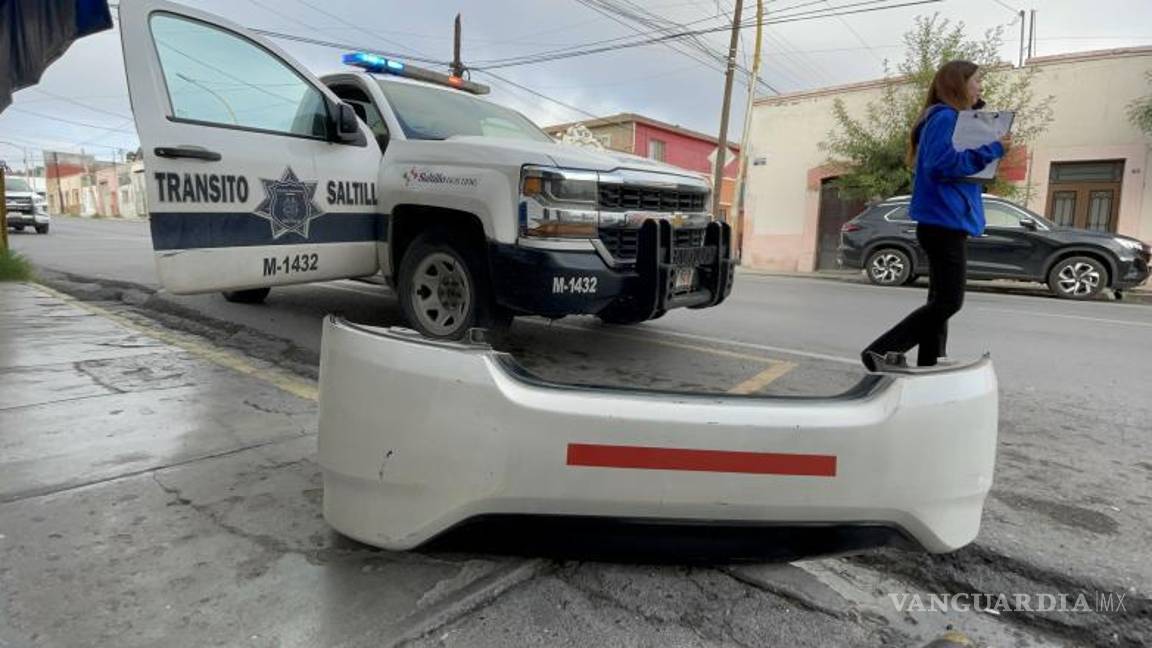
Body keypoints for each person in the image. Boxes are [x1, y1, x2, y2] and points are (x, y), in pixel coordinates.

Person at [861, 60, 1011, 371]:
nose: (981, 88)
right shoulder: (943, 118)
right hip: (943, 224)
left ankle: (930, 361)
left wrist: (978, 119)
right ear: (959, 84)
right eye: (977, 82)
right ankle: (881, 351)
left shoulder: (950, 118)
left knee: (938, 302)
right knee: (949, 302)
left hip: (945, 222)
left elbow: (952, 163)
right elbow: (943, 164)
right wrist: (992, 149)